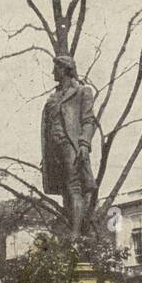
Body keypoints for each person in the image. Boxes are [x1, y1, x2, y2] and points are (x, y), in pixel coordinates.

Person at [40, 55, 99, 237]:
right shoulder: (53, 97)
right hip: (54, 151)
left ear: (65, 69)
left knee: (74, 188)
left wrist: (84, 143)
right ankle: (72, 231)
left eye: (55, 68)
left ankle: (76, 235)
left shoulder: (82, 92)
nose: (52, 72)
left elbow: (89, 121)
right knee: (65, 191)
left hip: (70, 146)